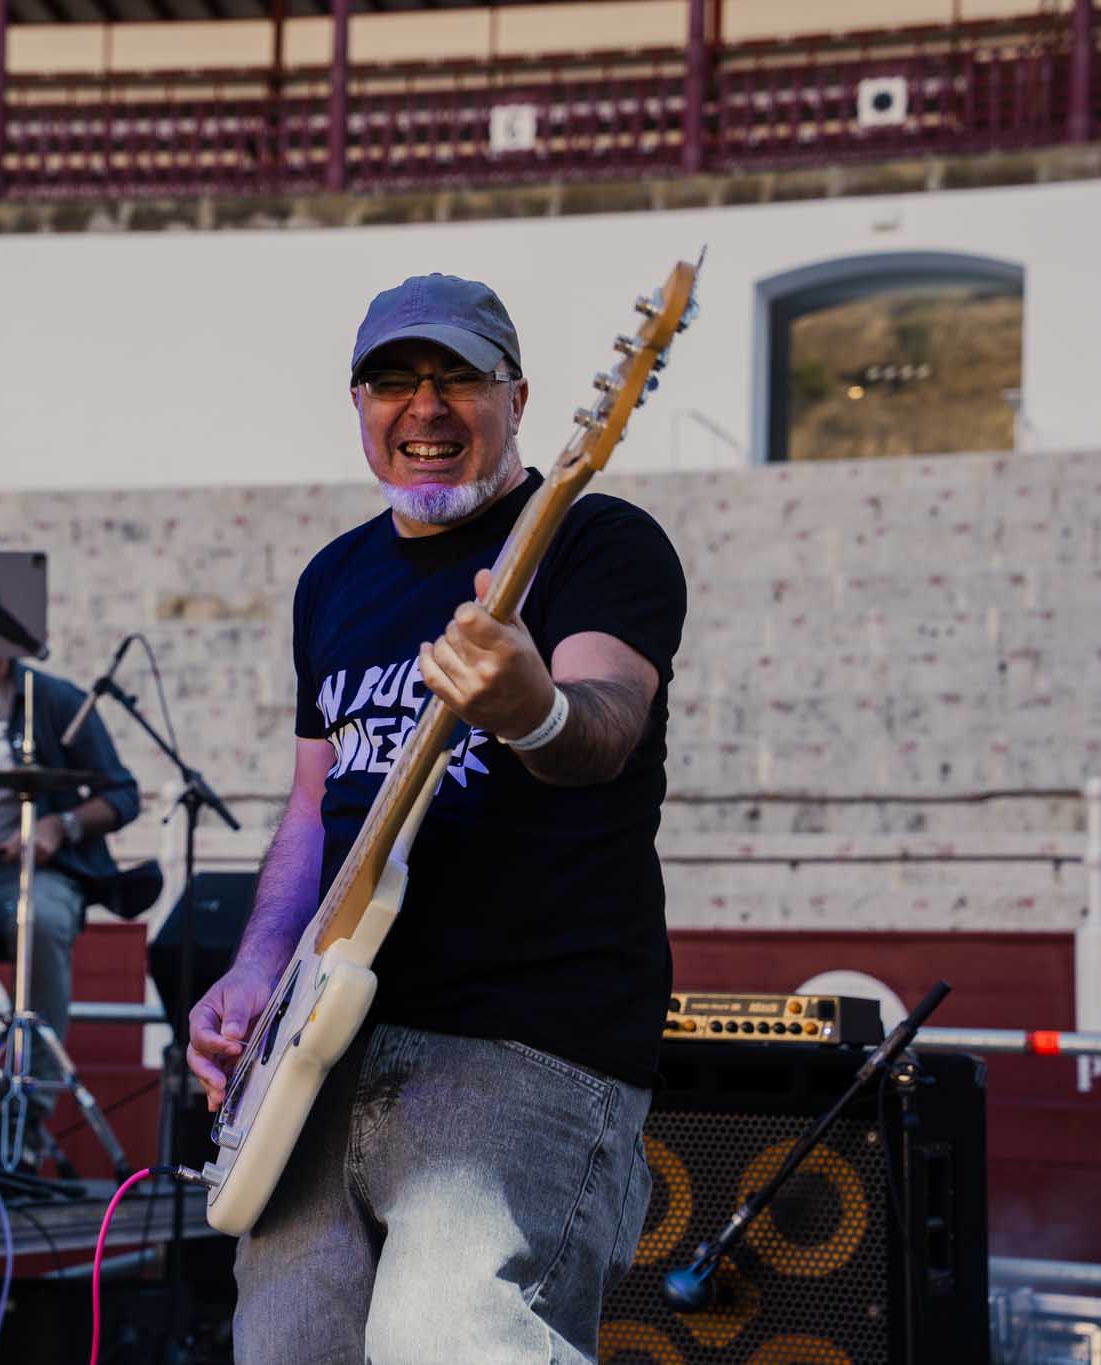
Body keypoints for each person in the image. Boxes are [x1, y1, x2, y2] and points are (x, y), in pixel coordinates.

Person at [185, 273, 687, 1364]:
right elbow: (316, 802)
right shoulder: (331, 579)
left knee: (451, 1344)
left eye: (456, 377)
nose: (424, 408)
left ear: (518, 396)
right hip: (315, 1060)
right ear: (358, 404)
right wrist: (257, 968)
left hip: (522, 1048)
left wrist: (532, 708)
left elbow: (605, 724)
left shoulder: (598, 541)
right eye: (393, 383)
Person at [0, 653, 140, 1162]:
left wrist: (62, 826)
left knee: (39, 917)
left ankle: (26, 1119)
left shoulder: (55, 700)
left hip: (34, 870)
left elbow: (123, 794)